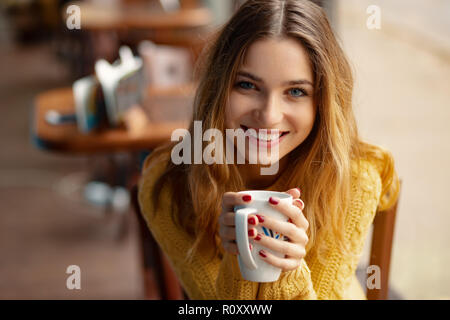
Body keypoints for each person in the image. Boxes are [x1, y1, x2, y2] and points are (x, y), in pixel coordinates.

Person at [138, 0, 400, 299]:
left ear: (322, 104)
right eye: (247, 85)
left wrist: (286, 268)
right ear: (218, 87)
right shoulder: (169, 184)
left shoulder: (353, 179)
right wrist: (242, 258)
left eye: (296, 92)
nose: (269, 115)